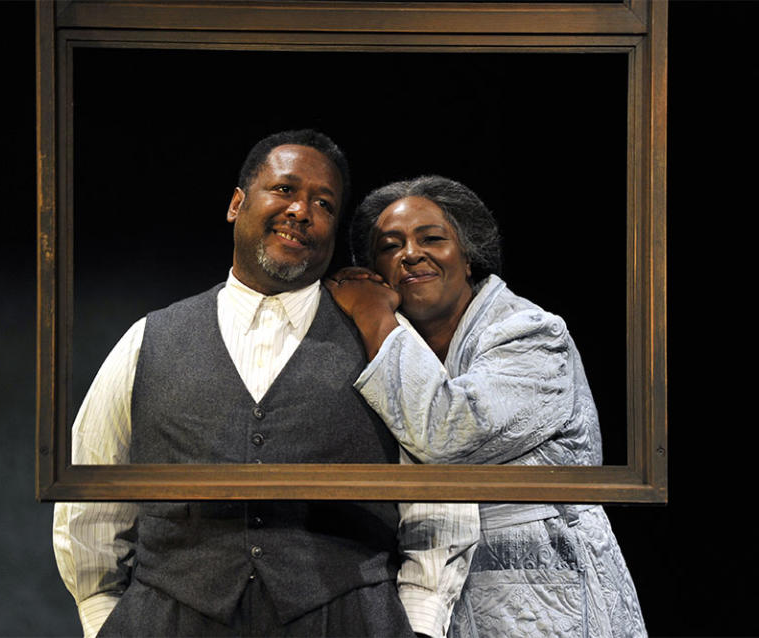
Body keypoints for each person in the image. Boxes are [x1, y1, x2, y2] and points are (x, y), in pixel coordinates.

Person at [52, 131, 473, 638]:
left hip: (348, 620)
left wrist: (421, 625)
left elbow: (441, 493)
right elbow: (92, 492)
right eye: (284, 190)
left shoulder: (382, 335)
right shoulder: (150, 339)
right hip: (169, 620)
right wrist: (103, 619)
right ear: (237, 204)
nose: (301, 210)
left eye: (323, 203)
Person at [324, 175, 647, 637]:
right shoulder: (389, 349)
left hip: (548, 603)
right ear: (375, 272)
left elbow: (447, 432)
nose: (410, 253)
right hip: (437, 607)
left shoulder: (533, 334)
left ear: (469, 255)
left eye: (431, 238)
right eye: (389, 246)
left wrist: (372, 313)